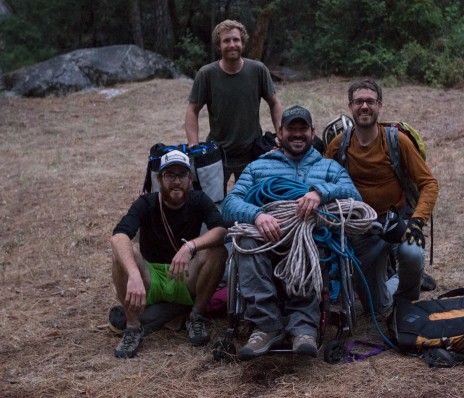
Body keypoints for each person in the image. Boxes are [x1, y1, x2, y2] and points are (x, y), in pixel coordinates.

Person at [221, 105, 361, 360]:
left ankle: (304, 327)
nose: (297, 134)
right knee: (247, 241)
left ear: (312, 132)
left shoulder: (328, 168)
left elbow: (355, 195)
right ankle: (266, 325)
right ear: (280, 133)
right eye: (291, 129)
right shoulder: (257, 168)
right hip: (267, 238)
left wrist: (320, 193)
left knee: (307, 238)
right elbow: (230, 205)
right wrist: (257, 215)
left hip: (311, 237)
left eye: (303, 129)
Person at [324, 79, 439, 317]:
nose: (364, 106)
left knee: (412, 253)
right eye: (358, 102)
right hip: (362, 229)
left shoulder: (398, 141)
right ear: (350, 106)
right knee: (376, 309)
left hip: (398, 221)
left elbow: (429, 183)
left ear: (380, 106)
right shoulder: (339, 145)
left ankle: (406, 306)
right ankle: (402, 282)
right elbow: (323, 181)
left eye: (370, 101)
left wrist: (417, 221)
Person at [110, 150, 227, 358]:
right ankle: (133, 326)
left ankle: (195, 316)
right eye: (170, 175)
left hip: (183, 275)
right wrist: (134, 275)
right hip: (150, 279)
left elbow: (221, 231)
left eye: (182, 175)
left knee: (216, 251)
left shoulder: (199, 200)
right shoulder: (147, 203)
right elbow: (118, 236)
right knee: (124, 254)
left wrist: (190, 246)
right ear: (159, 179)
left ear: (190, 179)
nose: (176, 181)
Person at [185, 19, 283, 192]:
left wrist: (281, 133)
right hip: (217, 154)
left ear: (243, 43)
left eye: (236, 40)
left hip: (251, 153)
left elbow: (274, 102)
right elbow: (192, 110)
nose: (232, 45)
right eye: (226, 41)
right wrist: (194, 145)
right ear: (218, 45)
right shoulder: (206, 74)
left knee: (251, 203)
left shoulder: (258, 70)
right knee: (213, 203)